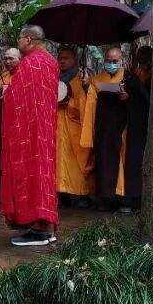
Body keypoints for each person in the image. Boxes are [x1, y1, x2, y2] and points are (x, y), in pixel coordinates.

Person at [0, 26, 60, 245]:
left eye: (19, 38)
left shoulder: (31, 63)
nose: (18, 42)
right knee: (43, 174)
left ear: (28, 39)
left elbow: (17, 95)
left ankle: (41, 230)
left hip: (31, 132)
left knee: (33, 174)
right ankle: (46, 228)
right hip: (45, 130)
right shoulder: (51, 61)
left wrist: (7, 93)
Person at [80, 46, 149, 212]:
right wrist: (85, 86)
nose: (111, 64)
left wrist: (128, 98)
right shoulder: (96, 80)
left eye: (115, 61)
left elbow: (144, 103)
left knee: (127, 164)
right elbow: (90, 106)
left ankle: (126, 200)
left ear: (122, 60)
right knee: (105, 163)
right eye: (109, 61)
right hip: (105, 130)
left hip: (126, 130)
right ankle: (106, 199)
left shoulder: (131, 79)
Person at [55, 45, 94, 207]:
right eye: (60, 58)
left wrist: (86, 87)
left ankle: (83, 194)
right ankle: (61, 192)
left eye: (66, 58)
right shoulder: (54, 77)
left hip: (77, 126)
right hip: (57, 126)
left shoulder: (82, 77)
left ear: (74, 60)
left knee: (79, 161)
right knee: (59, 162)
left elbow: (89, 101)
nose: (62, 61)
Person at [0, 48, 21, 163]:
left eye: (11, 59)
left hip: (18, 122)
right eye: (5, 58)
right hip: (2, 120)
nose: (7, 61)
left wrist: (11, 91)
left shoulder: (23, 75)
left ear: (20, 59)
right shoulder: (3, 75)